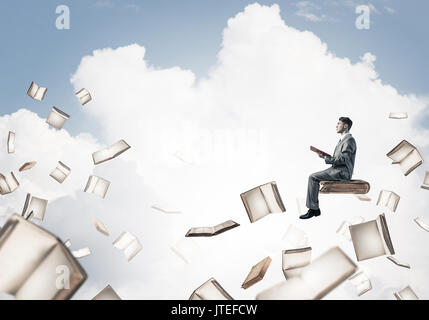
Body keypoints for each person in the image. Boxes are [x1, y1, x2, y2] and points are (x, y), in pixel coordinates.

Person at [300, 117, 357, 219]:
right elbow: (340, 158)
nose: (336, 125)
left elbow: (343, 160)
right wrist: (325, 156)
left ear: (345, 126)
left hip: (342, 172)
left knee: (312, 177)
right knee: (313, 177)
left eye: (339, 123)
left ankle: (314, 209)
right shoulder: (343, 140)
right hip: (336, 169)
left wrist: (327, 158)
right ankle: (314, 209)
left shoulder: (349, 141)